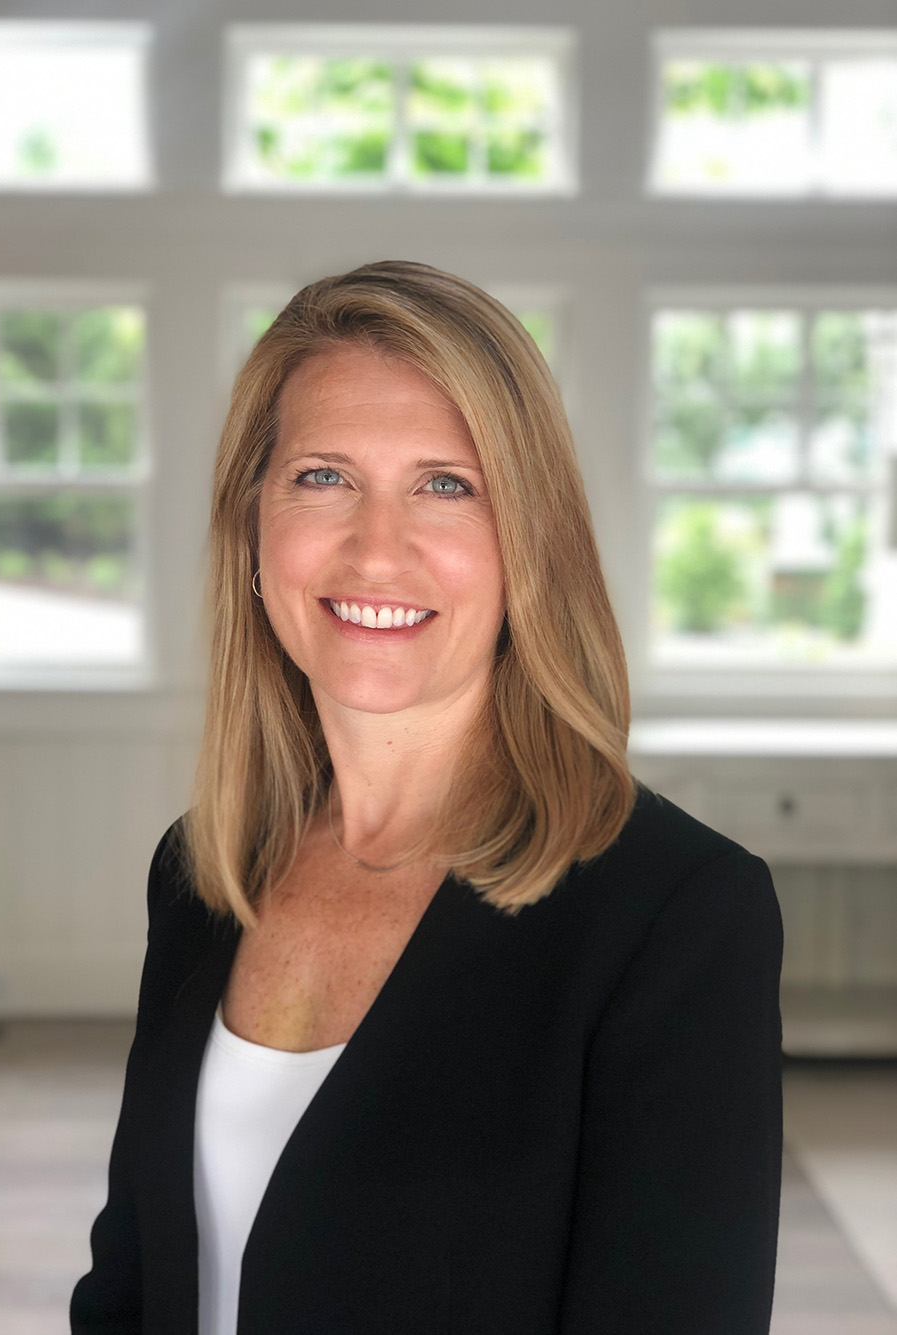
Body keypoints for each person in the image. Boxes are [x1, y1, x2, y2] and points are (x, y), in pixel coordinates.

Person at [70, 260, 783, 1335]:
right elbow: (127, 1288)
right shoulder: (206, 869)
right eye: (322, 477)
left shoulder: (676, 915)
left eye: (445, 484)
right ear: (252, 528)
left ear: (527, 544)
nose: (375, 547)